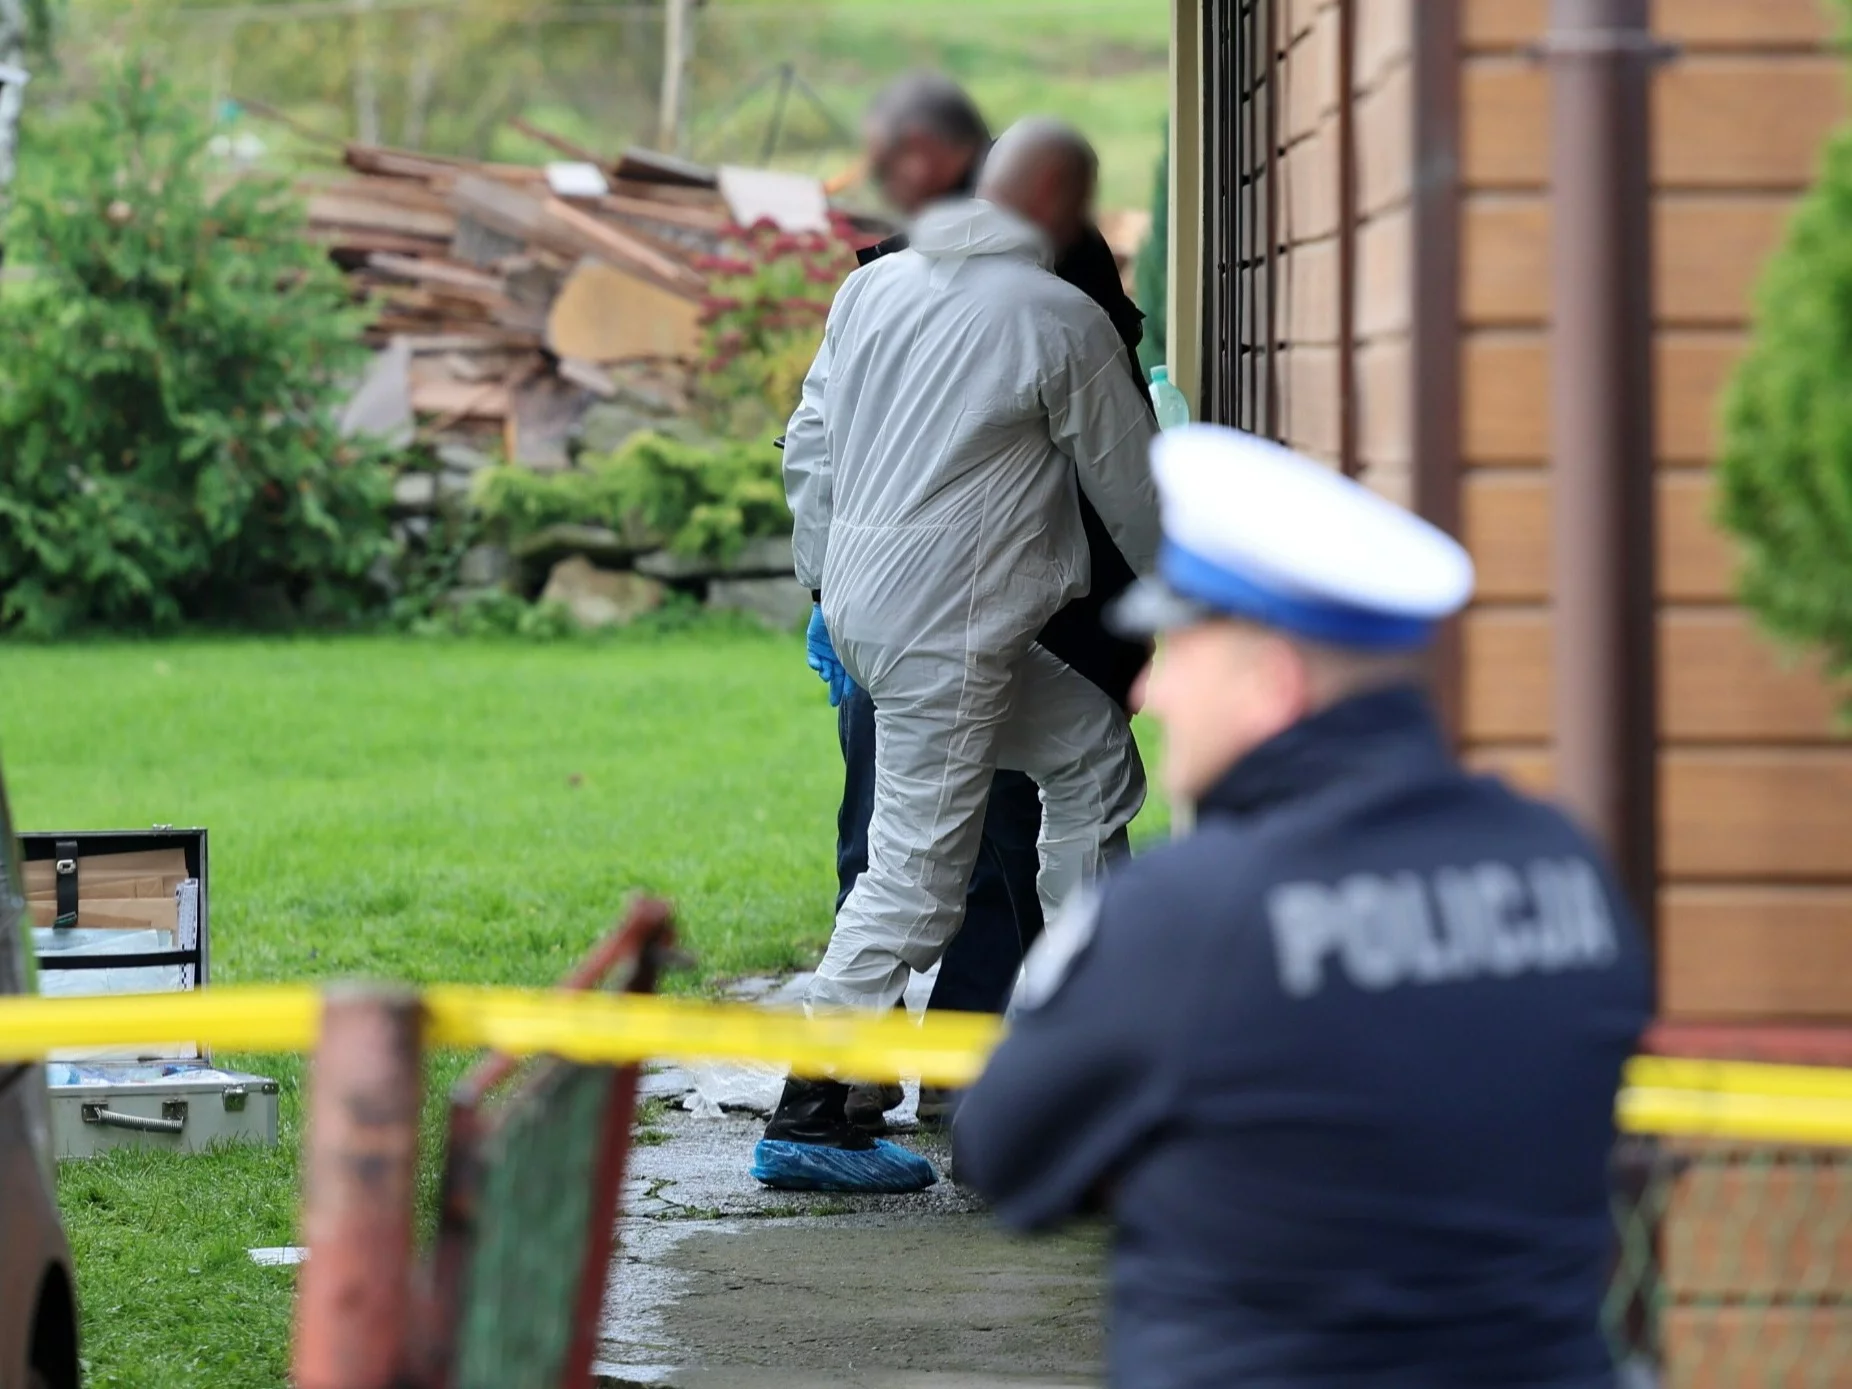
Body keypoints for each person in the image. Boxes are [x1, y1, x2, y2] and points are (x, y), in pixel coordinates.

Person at [954, 425, 1655, 1388]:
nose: (1152, 687)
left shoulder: (1188, 913)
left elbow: (1002, 1150)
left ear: (1272, 683)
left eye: (1180, 647)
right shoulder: (1565, 867)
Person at [757, 119, 1161, 1193]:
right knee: (915, 880)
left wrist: (822, 583)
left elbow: (812, 444)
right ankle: (808, 1116)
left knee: (1089, 760)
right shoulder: (1059, 320)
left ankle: (1075, 1043)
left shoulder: (873, 288)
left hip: (879, 611)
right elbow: (1135, 494)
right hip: (957, 632)